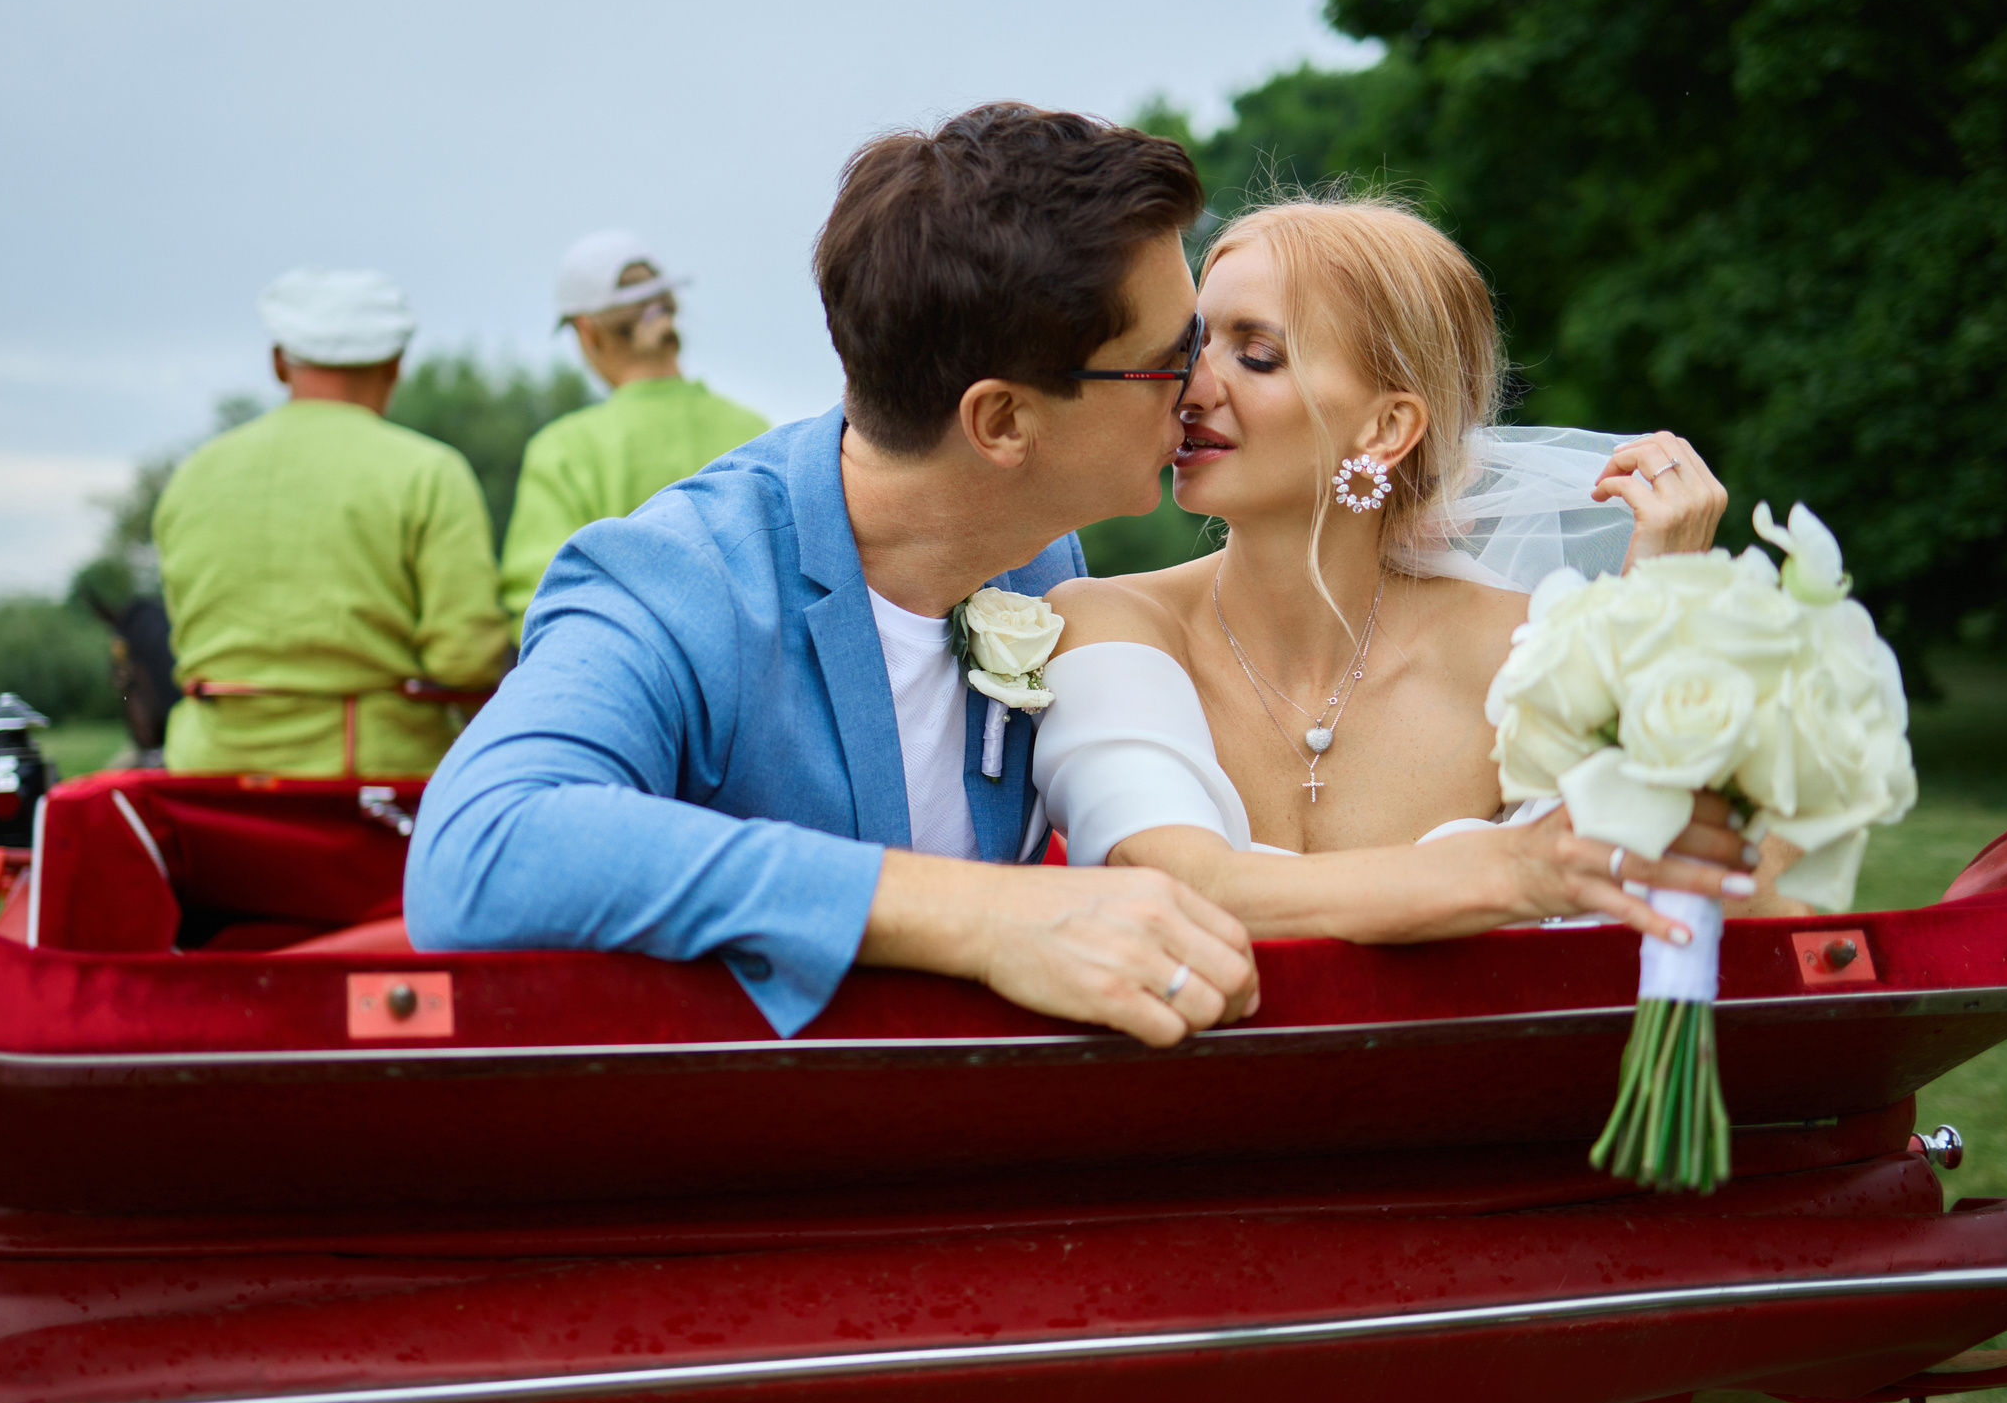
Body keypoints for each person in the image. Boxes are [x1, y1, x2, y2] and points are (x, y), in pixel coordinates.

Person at [408, 105, 1737, 1049]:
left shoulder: (1038, 559)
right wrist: (990, 913)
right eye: (1172, 357)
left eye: (1233, 349)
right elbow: (478, 852)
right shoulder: (676, 582)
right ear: (1001, 423)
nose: (1200, 386)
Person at [1034, 194, 1767, 926]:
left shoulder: (1535, 654)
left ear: (1387, 427)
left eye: (1257, 356)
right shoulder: (1109, 621)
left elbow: (1703, 900)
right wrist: (1516, 868)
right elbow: (1169, 886)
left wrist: (1659, 615)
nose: (1190, 390)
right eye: (1190, 349)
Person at [155, 267, 505, 778]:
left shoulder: (192, 475)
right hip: (373, 786)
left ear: (279, 363)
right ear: (394, 364)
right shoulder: (429, 472)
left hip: (207, 779)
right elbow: (465, 661)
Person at [497, 231, 770, 646]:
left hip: (633, 693)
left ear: (588, 333)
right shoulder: (754, 432)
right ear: (669, 313)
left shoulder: (564, 451)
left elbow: (539, 600)